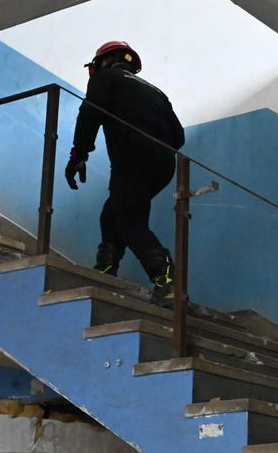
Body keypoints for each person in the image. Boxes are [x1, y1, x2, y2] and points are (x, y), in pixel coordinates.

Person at [64, 40, 186, 303]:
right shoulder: (156, 91)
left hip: (131, 159)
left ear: (103, 62)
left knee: (129, 219)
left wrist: (79, 153)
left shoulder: (105, 79)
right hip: (164, 165)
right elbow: (179, 136)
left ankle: (167, 283)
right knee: (114, 213)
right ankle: (106, 270)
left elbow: (90, 112)